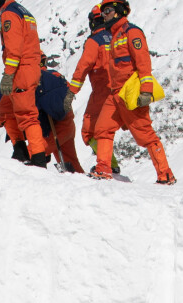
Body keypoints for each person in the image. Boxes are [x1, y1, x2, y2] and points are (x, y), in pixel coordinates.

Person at [87, 0, 173, 184]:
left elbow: (143, 63)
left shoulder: (131, 33)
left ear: (118, 11)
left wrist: (146, 91)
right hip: (115, 95)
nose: (104, 15)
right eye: (103, 11)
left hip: (130, 94)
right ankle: (103, 169)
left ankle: (165, 175)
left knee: (145, 135)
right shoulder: (114, 35)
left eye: (108, 10)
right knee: (102, 128)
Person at [0, 0, 47, 168]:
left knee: (27, 115)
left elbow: (14, 50)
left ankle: (38, 159)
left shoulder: (10, 13)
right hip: (28, 69)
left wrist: (8, 75)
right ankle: (20, 151)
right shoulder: (22, 11)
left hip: (21, 71)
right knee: (5, 110)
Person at [68, 5, 112, 156]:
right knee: (142, 131)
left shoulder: (94, 42)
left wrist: (71, 92)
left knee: (90, 131)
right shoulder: (117, 38)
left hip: (102, 92)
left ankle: (108, 165)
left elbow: (83, 67)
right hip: (122, 90)